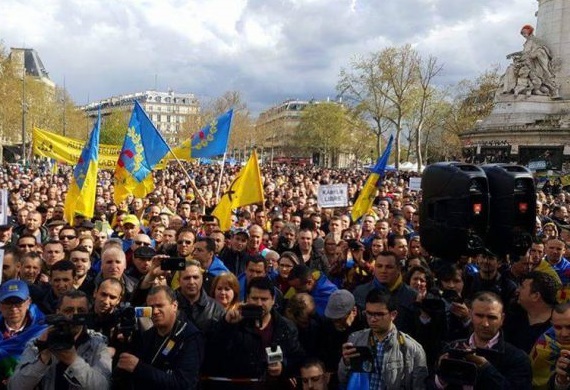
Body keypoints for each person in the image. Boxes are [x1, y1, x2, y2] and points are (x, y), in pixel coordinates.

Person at [205, 277, 304, 389]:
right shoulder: (235, 322)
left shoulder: (286, 327)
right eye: (255, 298)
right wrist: (226, 324)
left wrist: (283, 366)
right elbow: (214, 351)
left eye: (264, 299)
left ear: (273, 300)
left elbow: (297, 358)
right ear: (247, 298)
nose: (259, 303)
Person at [8, 290, 112, 389]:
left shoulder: (98, 344)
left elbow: (103, 386)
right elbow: (15, 386)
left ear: (87, 314)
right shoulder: (38, 342)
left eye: (81, 311)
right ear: (58, 312)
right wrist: (43, 359)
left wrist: (73, 361)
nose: (74, 316)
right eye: (68, 310)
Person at [434, 292, 532, 389]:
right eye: (479, 316)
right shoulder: (452, 348)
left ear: (502, 319)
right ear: (471, 315)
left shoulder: (517, 358)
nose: (485, 324)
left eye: (491, 317)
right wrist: (441, 378)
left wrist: (486, 368)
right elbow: (429, 384)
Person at [116, 285, 203, 390]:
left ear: (174, 306)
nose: (155, 311)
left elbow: (184, 384)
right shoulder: (147, 336)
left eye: (160, 306)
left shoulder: (190, 336)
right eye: (151, 307)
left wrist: (139, 367)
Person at [338, 289, 428, 389]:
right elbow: (343, 380)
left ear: (393, 315)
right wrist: (345, 363)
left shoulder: (413, 350)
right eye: (369, 313)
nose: (372, 319)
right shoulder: (355, 339)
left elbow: (419, 387)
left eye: (379, 314)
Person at [0, 280, 47, 384]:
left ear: (28, 302)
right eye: (8, 303)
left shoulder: (43, 331)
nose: (13, 308)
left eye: (18, 302)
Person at [530, 302, 570, 389]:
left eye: (569, 327)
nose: (564, 334)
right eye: (558, 327)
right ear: (552, 324)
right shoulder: (543, 346)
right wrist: (561, 380)